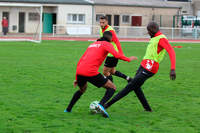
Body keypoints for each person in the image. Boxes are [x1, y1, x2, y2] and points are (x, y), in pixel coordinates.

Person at [103, 22, 176, 112]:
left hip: (150, 67)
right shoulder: (154, 37)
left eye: (148, 31)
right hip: (143, 65)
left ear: (152, 30)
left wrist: (172, 68)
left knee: (130, 86)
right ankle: (148, 109)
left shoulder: (161, 39)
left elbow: (171, 51)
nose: (148, 33)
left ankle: (106, 105)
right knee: (136, 87)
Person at [64, 31, 137, 117]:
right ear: (110, 39)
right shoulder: (107, 44)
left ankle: (68, 109)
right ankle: (101, 105)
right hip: (91, 72)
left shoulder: (93, 44)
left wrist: (77, 77)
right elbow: (116, 55)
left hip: (80, 71)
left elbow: (81, 60)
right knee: (112, 87)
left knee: (82, 89)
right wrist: (128, 59)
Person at [99, 16, 132, 83]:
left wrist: (121, 53)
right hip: (109, 53)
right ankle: (128, 79)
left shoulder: (110, 30)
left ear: (107, 22)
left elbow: (117, 41)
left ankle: (111, 87)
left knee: (105, 72)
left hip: (112, 54)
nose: (101, 24)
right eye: (100, 22)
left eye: (103, 22)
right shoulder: (101, 29)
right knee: (112, 71)